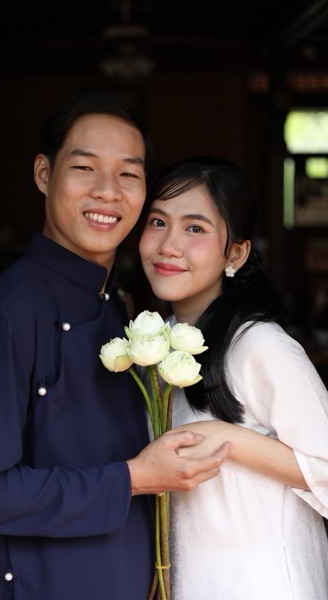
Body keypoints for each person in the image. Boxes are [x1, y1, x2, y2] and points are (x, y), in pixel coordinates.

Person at [0, 91, 231, 600]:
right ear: (43, 174)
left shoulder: (117, 304)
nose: (107, 192)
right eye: (84, 168)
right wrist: (133, 478)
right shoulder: (10, 312)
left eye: (128, 174)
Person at [139, 155, 328, 599]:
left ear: (236, 253)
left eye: (195, 228)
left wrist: (227, 438)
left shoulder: (261, 346)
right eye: (158, 222)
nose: (169, 245)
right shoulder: (153, 345)